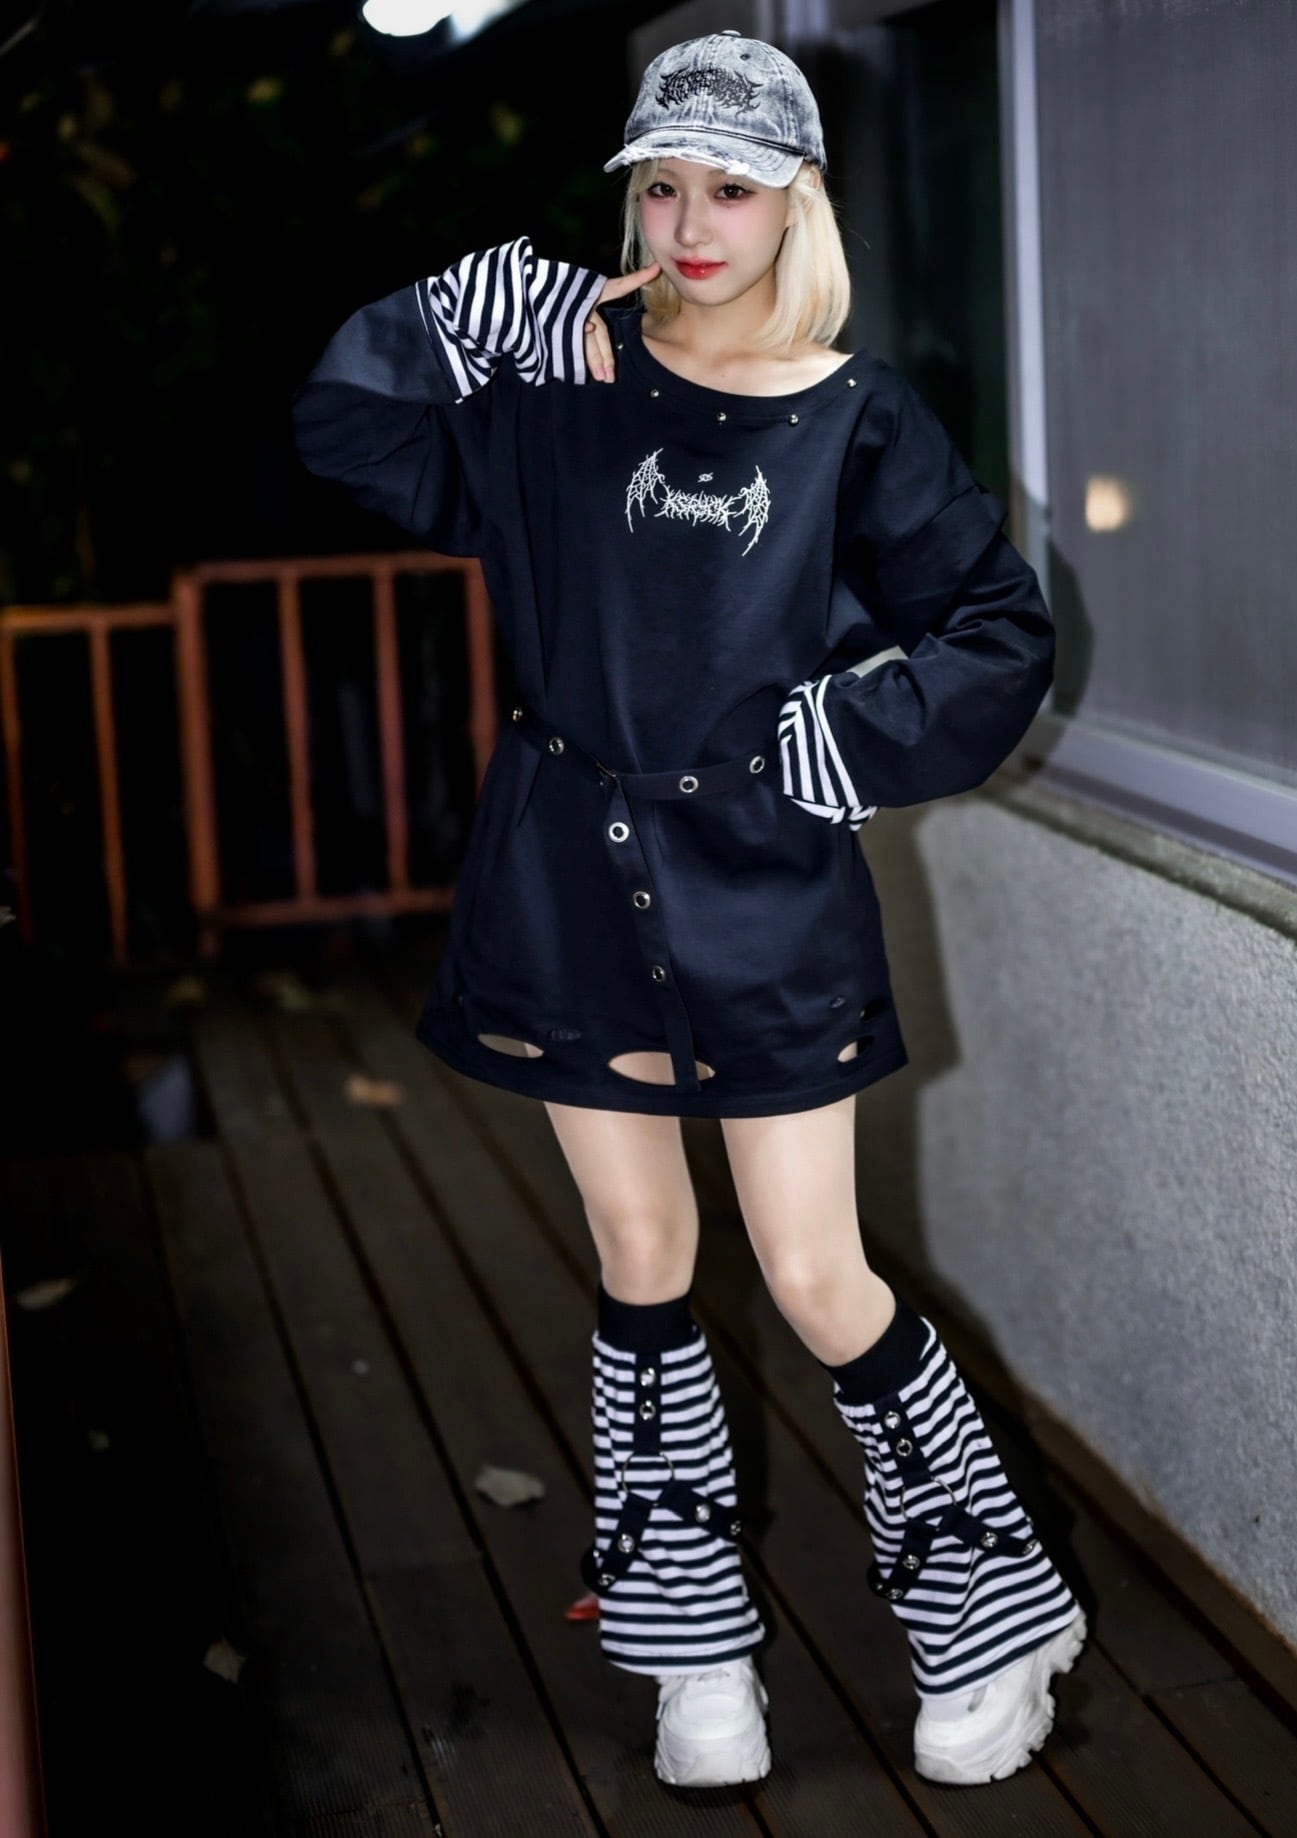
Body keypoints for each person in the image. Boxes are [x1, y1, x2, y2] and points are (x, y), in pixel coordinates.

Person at [291, 25, 1087, 1795]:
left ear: (797, 202)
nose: (690, 222)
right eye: (662, 186)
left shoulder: (855, 415)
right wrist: (451, 319)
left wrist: (857, 731)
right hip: (564, 882)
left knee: (812, 1271)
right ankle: (691, 1649)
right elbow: (343, 429)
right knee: (641, 1256)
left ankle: (994, 1610)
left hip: (766, 898)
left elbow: (997, 630)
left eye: (730, 187)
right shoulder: (553, 398)